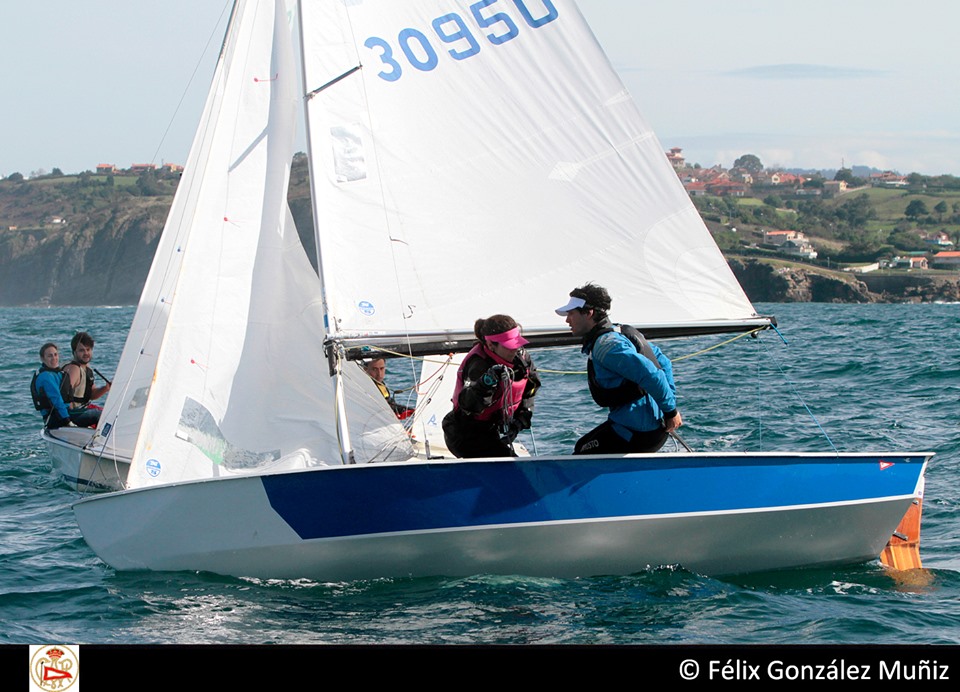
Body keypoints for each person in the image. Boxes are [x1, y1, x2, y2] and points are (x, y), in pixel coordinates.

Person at [555, 283, 682, 454]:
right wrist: (667, 409)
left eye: (571, 313)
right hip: (653, 429)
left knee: (582, 451)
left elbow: (651, 374)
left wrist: (670, 411)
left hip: (636, 432)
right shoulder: (620, 333)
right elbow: (664, 363)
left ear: (588, 313)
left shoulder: (607, 346)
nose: (567, 320)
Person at [442, 315, 540, 458]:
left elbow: (531, 388)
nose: (515, 349)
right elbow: (468, 405)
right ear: (490, 346)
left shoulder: (522, 358)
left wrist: (520, 420)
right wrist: (485, 383)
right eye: (509, 346)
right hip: (465, 434)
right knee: (511, 471)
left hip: (490, 428)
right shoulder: (478, 364)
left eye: (517, 343)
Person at [61, 331, 110, 428]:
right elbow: (64, 394)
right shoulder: (74, 369)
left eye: (88, 349)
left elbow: (92, 395)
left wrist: (106, 388)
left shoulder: (87, 369)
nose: (86, 353)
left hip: (83, 410)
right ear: (74, 352)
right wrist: (67, 420)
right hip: (72, 414)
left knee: (110, 414)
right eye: (81, 350)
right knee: (100, 415)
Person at [30, 342, 75, 429]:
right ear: (42, 359)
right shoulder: (46, 377)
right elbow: (56, 400)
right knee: (95, 415)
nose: (54, 358)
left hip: (65, 414)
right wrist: (68, 421)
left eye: (55, 354)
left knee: (95, 411)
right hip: (57, 419)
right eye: (50, 356)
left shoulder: (56, 373)